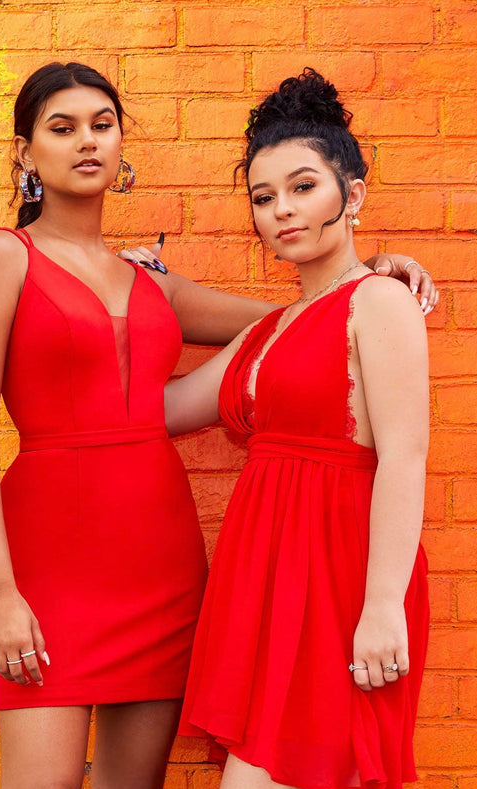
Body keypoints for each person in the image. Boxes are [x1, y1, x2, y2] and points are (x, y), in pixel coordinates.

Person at [0, 62, 434, 789]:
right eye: (63, 127)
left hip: (160, 567)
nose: (87, 141)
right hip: (47, 559)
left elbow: (300, 320)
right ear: (26, 154)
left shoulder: (152, 282)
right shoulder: (1, 256)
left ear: (121, 144)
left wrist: (374, 272)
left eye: (102, 124)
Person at [165, 69, 431, 789]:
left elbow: (405, 459)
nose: (282, 209)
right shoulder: (268, 332)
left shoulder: (380, 301)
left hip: (340, 582)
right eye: (263, 196)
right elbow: (159, 411)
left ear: (354, 193)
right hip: (264, 584)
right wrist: (119, 292)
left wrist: (381, 608)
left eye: (303, 186)